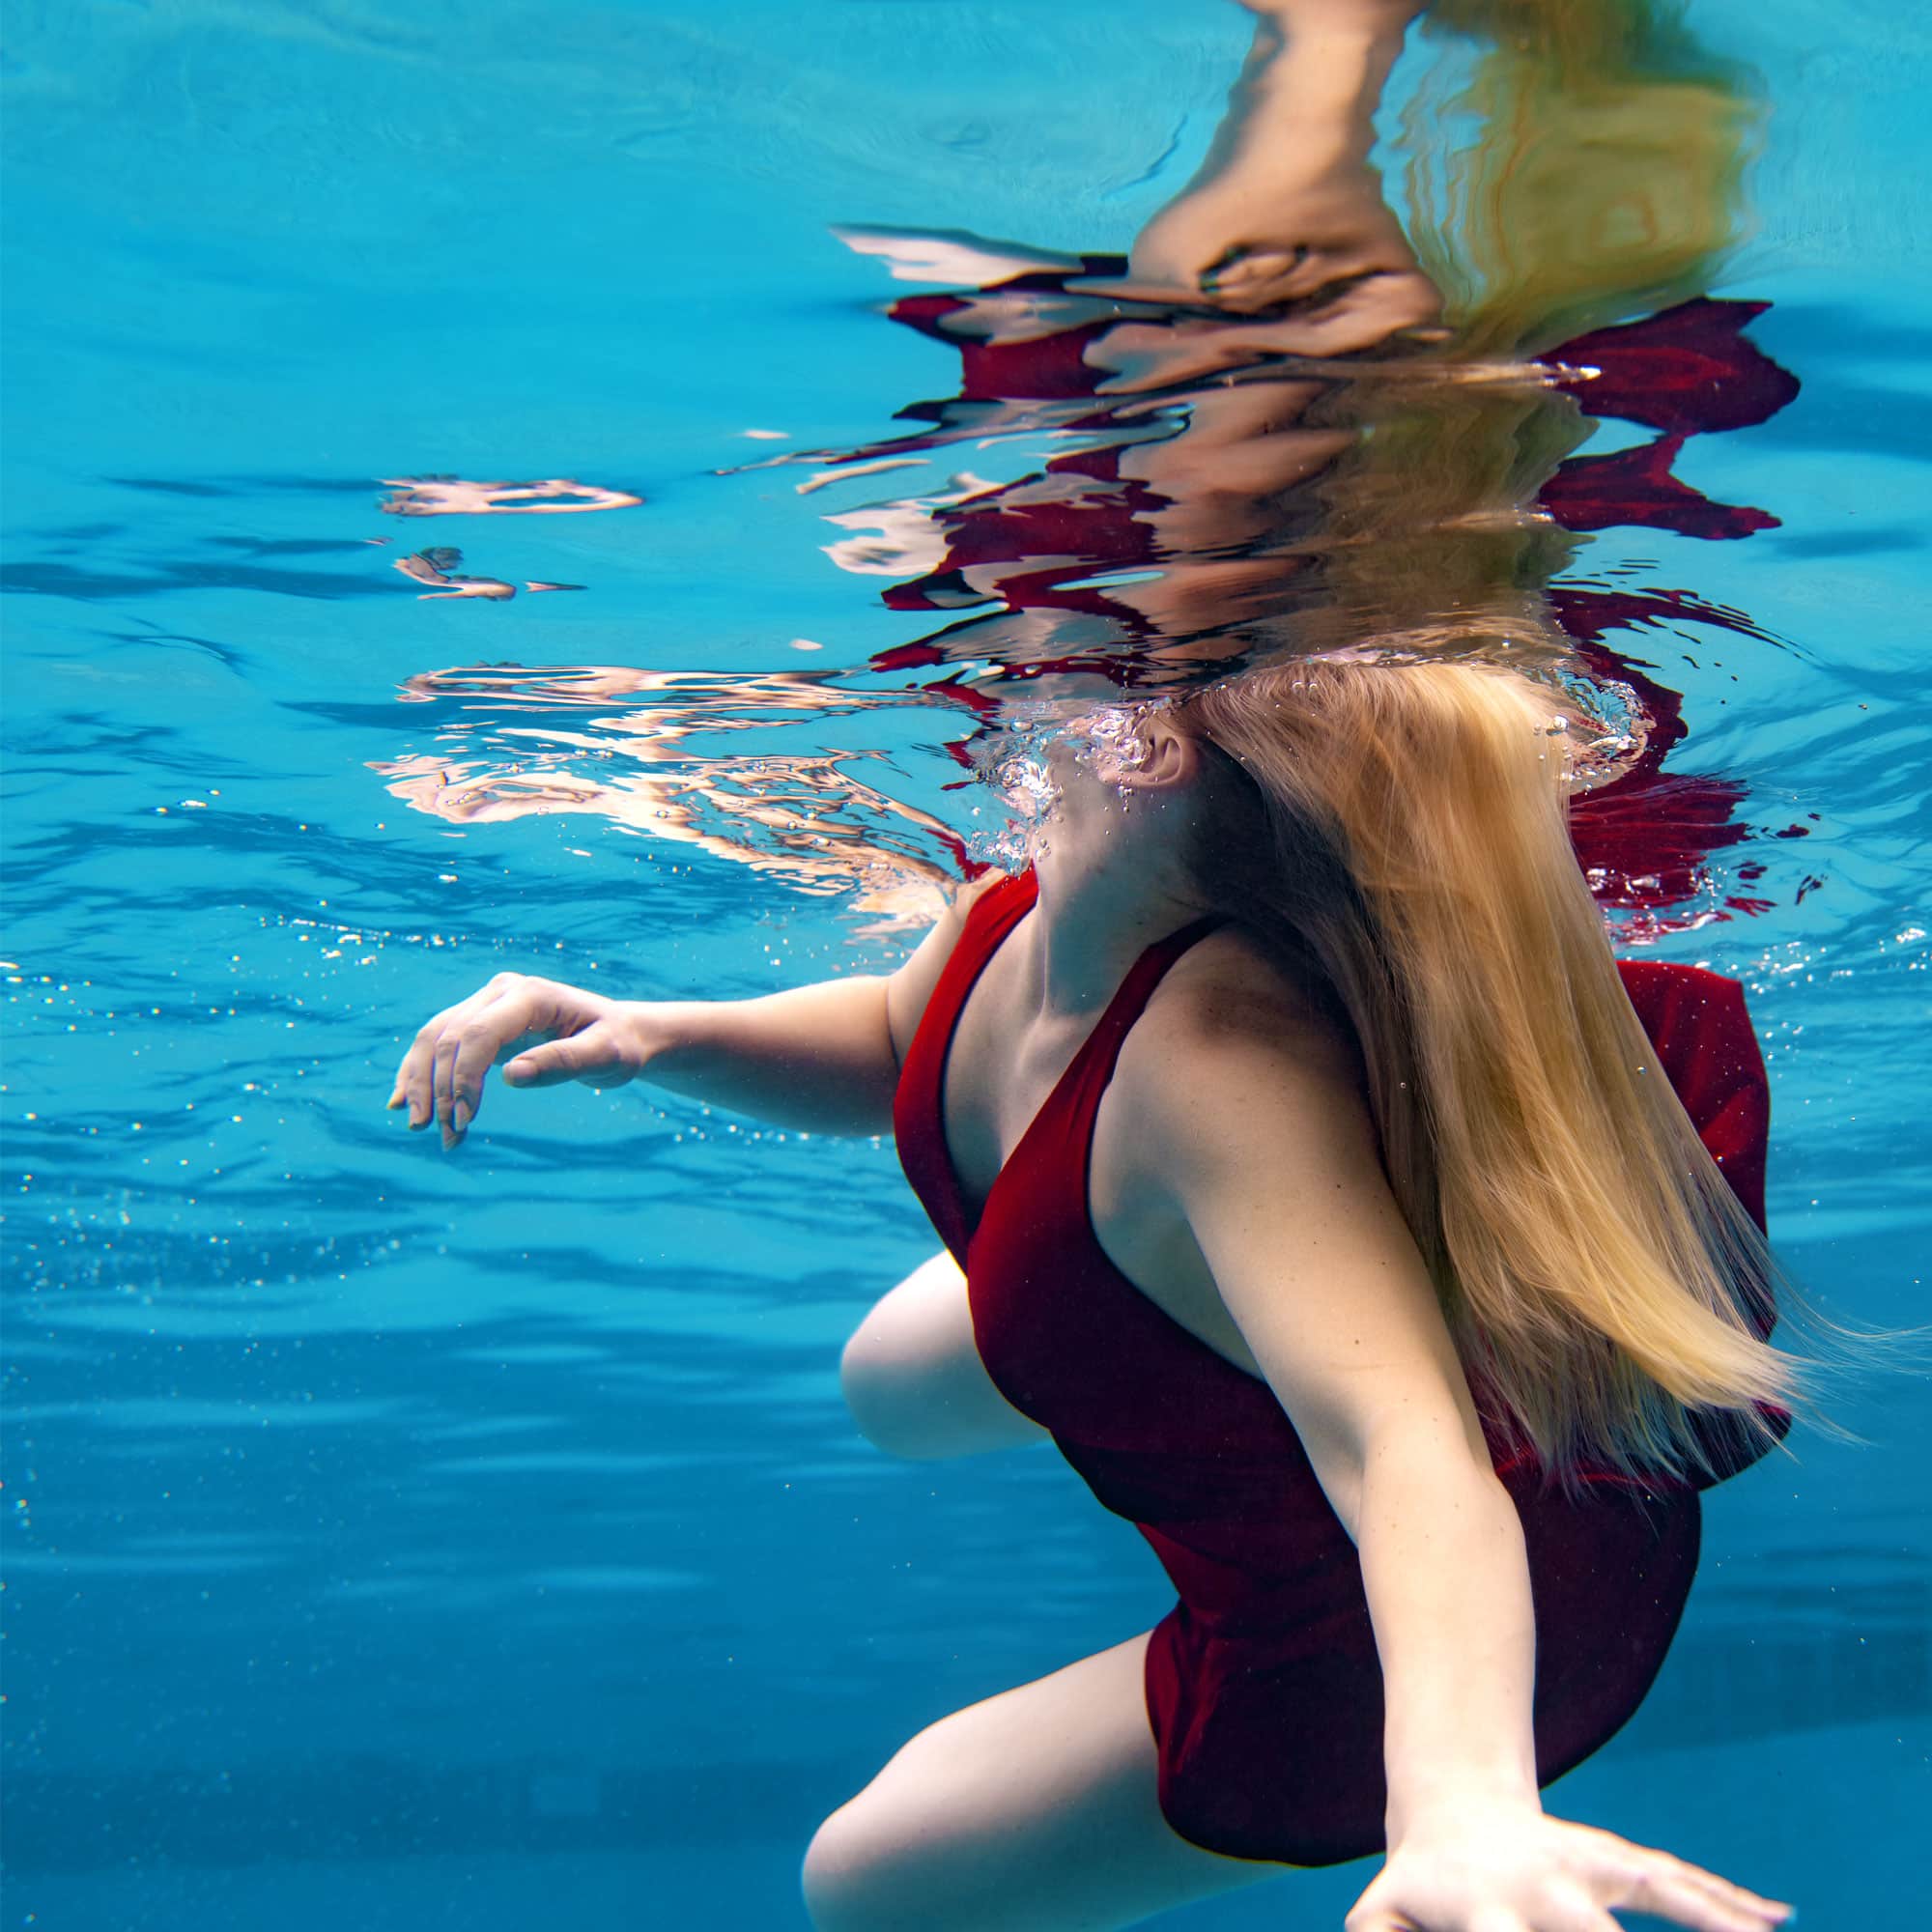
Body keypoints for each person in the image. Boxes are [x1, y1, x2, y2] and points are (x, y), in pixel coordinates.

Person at [388, 3, 1809, 1926]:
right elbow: (905, 1030)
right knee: (890, 1371)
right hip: (1267, 1356)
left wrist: (1460, 1806)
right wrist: (655, 1028)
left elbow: (1399, 1454)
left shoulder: (1216, 1066)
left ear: (1231, 755)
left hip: (1421, 1656)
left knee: (861, 1880)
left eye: (1133, 683)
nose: (1069, 694)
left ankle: (1327, 40)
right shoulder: (1031, 899)